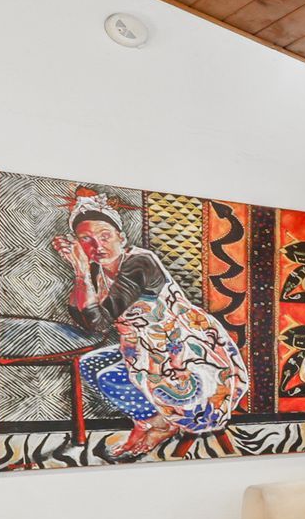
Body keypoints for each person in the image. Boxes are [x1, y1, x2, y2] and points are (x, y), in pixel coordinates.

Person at [54, 192, 250, 463]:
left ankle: (160, 424)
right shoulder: (98, 270)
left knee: (108, 377)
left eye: (104, 235)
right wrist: (82, 273)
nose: (96, 245)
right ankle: (151, 421)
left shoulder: (140, 262)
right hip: (142, 346)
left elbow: (99, 321)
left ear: (121, 238)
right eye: (86, 239)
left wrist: (80, 271)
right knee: (87, 364)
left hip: (181, 351)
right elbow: (85, 319)